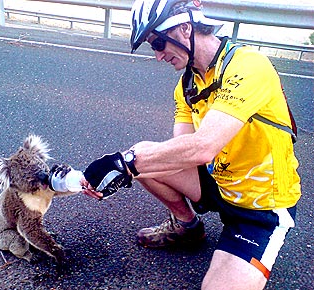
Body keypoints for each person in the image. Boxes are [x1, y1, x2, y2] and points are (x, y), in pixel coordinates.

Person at [53, 0, 302, 289]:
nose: (158, 56)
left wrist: (127, 162)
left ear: (185, 27)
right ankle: (187, 228)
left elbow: (203, 146)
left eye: (159, 43)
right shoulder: (187, 85)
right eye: (153, 47)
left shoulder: (248, 66)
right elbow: (182, 151)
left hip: (260, 209)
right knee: (146, 157)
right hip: (220, 183)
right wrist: (125, 171)